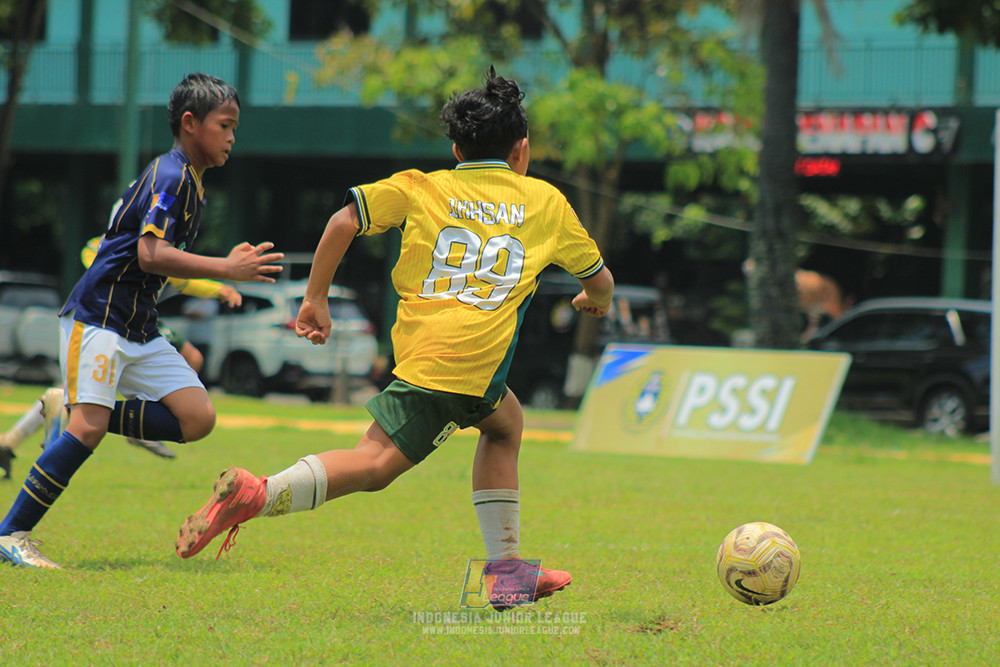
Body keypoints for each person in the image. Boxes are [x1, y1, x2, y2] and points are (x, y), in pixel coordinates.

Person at [174, 67, 615, 611]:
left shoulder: (421, 186)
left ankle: (506, 573)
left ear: (456, 150)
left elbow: (342, 222)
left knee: (504, 423)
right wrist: (594, 301)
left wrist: (314, 299)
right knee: (375, 465)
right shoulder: (546, 201)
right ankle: (257, 493)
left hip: (434, 355)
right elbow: (600, 280)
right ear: (521, 150)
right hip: (464, 363)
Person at [0, 72, 284, 569]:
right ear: (190, 123)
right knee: (87, 430)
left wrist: (217, 277)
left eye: (234, 128)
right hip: (99, 317)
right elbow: (150, 254)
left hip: (139, 326)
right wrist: (225, 269)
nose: (232, 137)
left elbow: (163, 263)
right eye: (225, 125)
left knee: (197, 418)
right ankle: (10, 534)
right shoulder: (170, 175)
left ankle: (73, 410)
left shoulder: (192, 183)